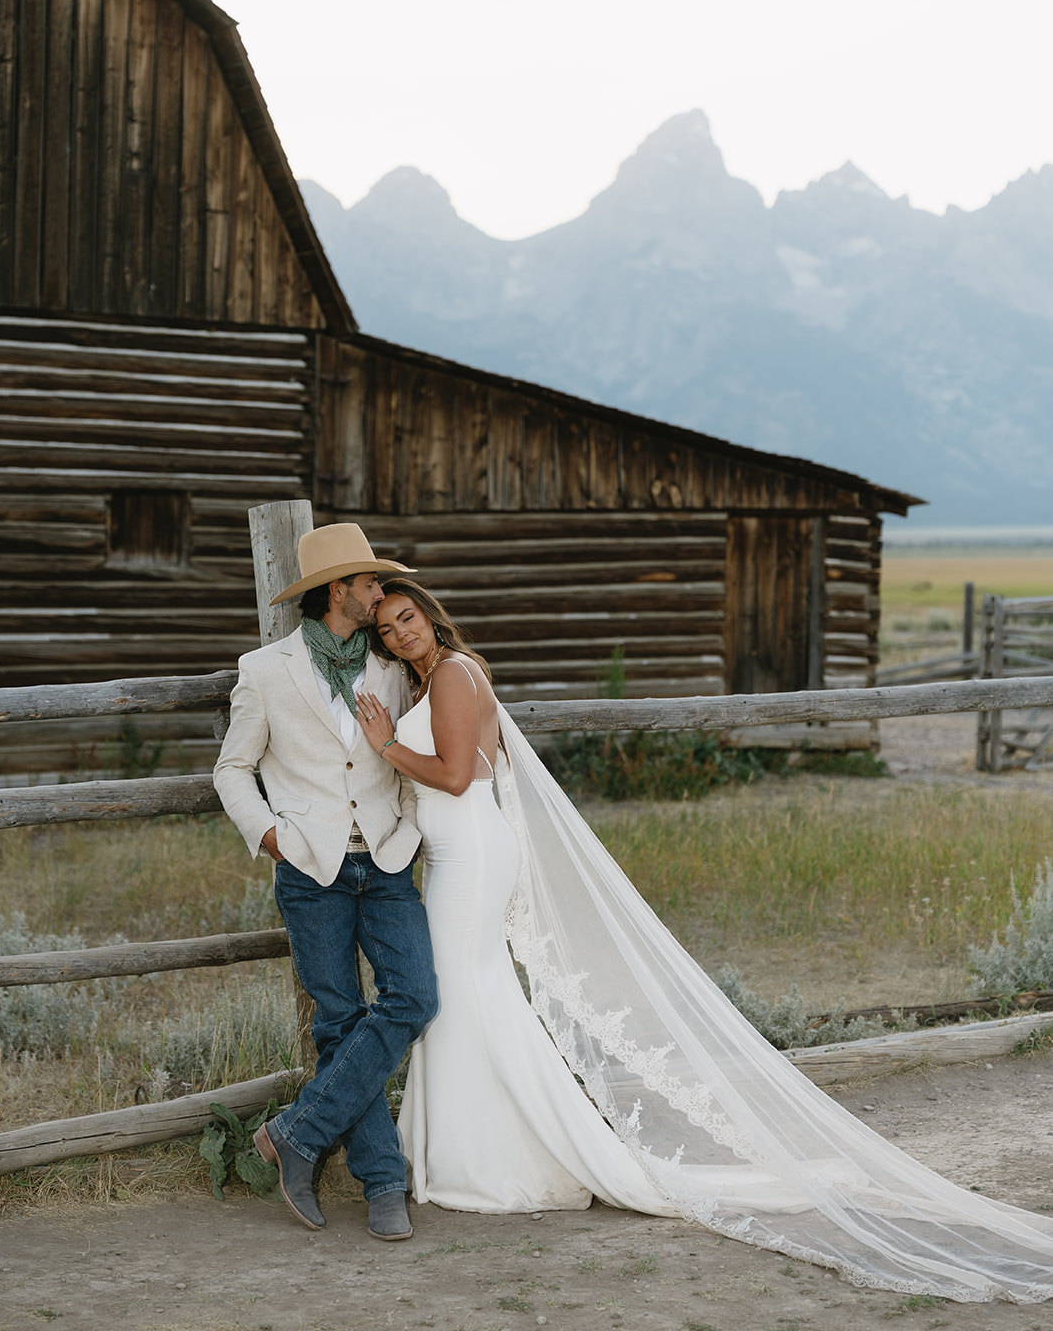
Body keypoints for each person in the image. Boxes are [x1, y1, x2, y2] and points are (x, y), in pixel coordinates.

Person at [355, 576, 1053, 1305]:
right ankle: (469, 1149)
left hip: (469, 856)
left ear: (431, 617)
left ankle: (494, 1158)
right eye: (387, 628)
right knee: (468, 995)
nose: (400, 632)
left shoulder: (457, 675)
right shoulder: (429, 681)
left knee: (463, 993)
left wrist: (384, 747)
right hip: (453, 856)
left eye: (408, 618)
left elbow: (458, 775)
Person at [213, 525, 438, 1243]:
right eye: (370, 584)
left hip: (388, 859)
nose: (380, 594)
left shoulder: (388, 666)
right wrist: (270, 835)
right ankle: (381, 1184)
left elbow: (404, 749)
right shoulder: (265, 668)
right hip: (311, 868)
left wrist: (407, 821)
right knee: (339, 1018)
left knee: (413, 996)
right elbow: (231, 768)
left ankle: (298, 1134)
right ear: (337, 590)